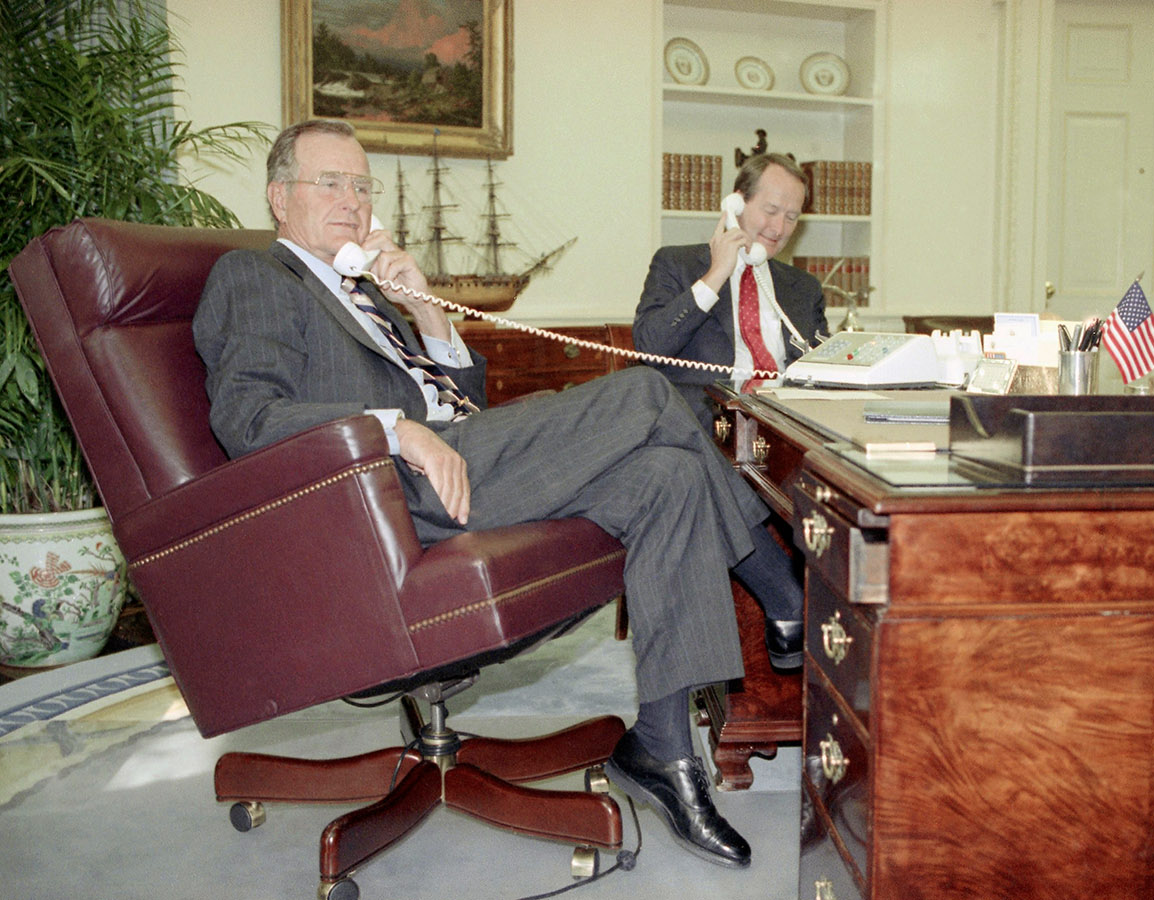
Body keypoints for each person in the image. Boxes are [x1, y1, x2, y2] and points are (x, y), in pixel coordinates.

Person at [192, 120, 806, 870]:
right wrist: (394, 430)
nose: (351, 202)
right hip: (391, 496)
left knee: (671, 475)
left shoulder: (360, 289)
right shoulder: (253, 278)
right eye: (331, 183)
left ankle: (664, 750)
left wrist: (426, 315)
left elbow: (463, 395)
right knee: (652, 392)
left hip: (467, 461)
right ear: (278, 196)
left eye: (361, 186)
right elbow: (250, 418)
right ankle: (779, 582)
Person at [632, 153, 829, 424]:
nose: (779, 228)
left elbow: (824, 372)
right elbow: (649, 348)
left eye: (792, 217)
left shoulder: (804, 288)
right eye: (770, 211)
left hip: (786, 427)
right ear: (736, 204)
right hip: (705, 426)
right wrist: (716, 274)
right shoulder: (677, 264)